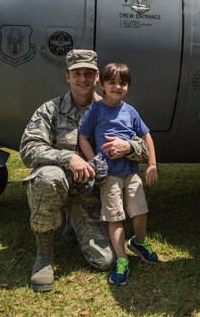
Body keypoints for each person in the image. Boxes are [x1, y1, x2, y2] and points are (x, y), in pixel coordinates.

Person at [19, 50, 148, 292]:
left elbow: (144, 147)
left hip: (90, 196)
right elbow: (28, 148)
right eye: (77, 73)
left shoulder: (113, 106)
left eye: (88, 73)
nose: (83, 79)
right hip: (60, 185)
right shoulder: (51, 110)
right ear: (67, 76)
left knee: (106, 261)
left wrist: (128, 146)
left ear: (97, 77)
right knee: (48, 177)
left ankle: (72, 223)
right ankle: (45, 254)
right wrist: (68, 158)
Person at [79, 62, 158, 286]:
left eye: (122, 83)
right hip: (110, 175)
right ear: (101, 84)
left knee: (140, 210)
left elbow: (147, 135)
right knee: (115, 216)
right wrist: (93, 161)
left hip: (131, 172)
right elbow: (83, 137)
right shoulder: (96, 110)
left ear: (128, 86)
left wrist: (152, 164)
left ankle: (139, 242)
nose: (117, 87)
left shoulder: (130, 111)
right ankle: (122, 259)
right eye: (112, 82)